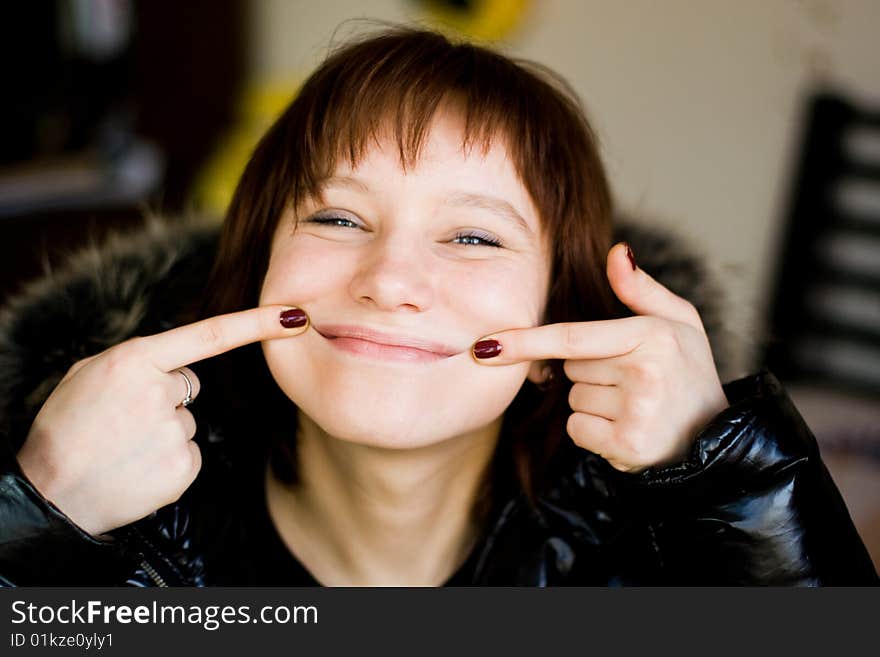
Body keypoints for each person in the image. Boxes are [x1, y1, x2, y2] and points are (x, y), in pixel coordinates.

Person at [0, 24, 876, 587]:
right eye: (340, 216)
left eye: (474, 237)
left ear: (555, 328)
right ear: (255, 263)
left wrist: (726, 476)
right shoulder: (91, 506)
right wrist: (37, 517)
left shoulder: (656, 540)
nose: (389, 279)